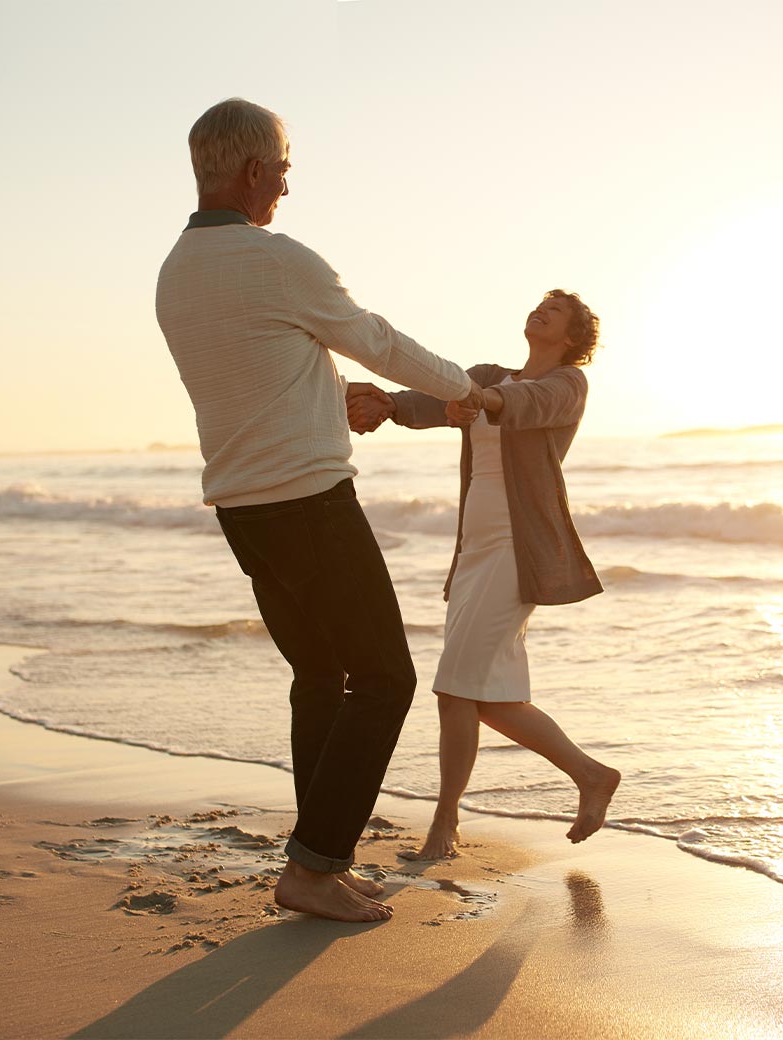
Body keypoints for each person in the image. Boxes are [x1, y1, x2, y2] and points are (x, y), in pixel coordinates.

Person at [155, 98, 483, 922]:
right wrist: (471, 392)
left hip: (244, 510)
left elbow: (255, 381)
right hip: (309, 505)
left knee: (320, 677)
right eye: (286, 170)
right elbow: (377, 337)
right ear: (255, 170)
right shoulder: (276, 259)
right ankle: (312, 867)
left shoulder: (175, 272)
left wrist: (338, 400)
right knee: (385, 678)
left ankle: (319, 861)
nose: (288, 188)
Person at [347, 290, 621, 859]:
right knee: (478, 695)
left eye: (556, 310)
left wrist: (475, 399)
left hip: (518, 549)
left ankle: (444, 827)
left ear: (572, 338)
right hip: (474, 548)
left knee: (455, 688)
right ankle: (589, 774)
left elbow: (523, 404)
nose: (541, 310)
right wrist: (387, 405)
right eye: (540, 303)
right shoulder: (488, 375)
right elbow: (433, 400)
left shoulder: (569, 384)